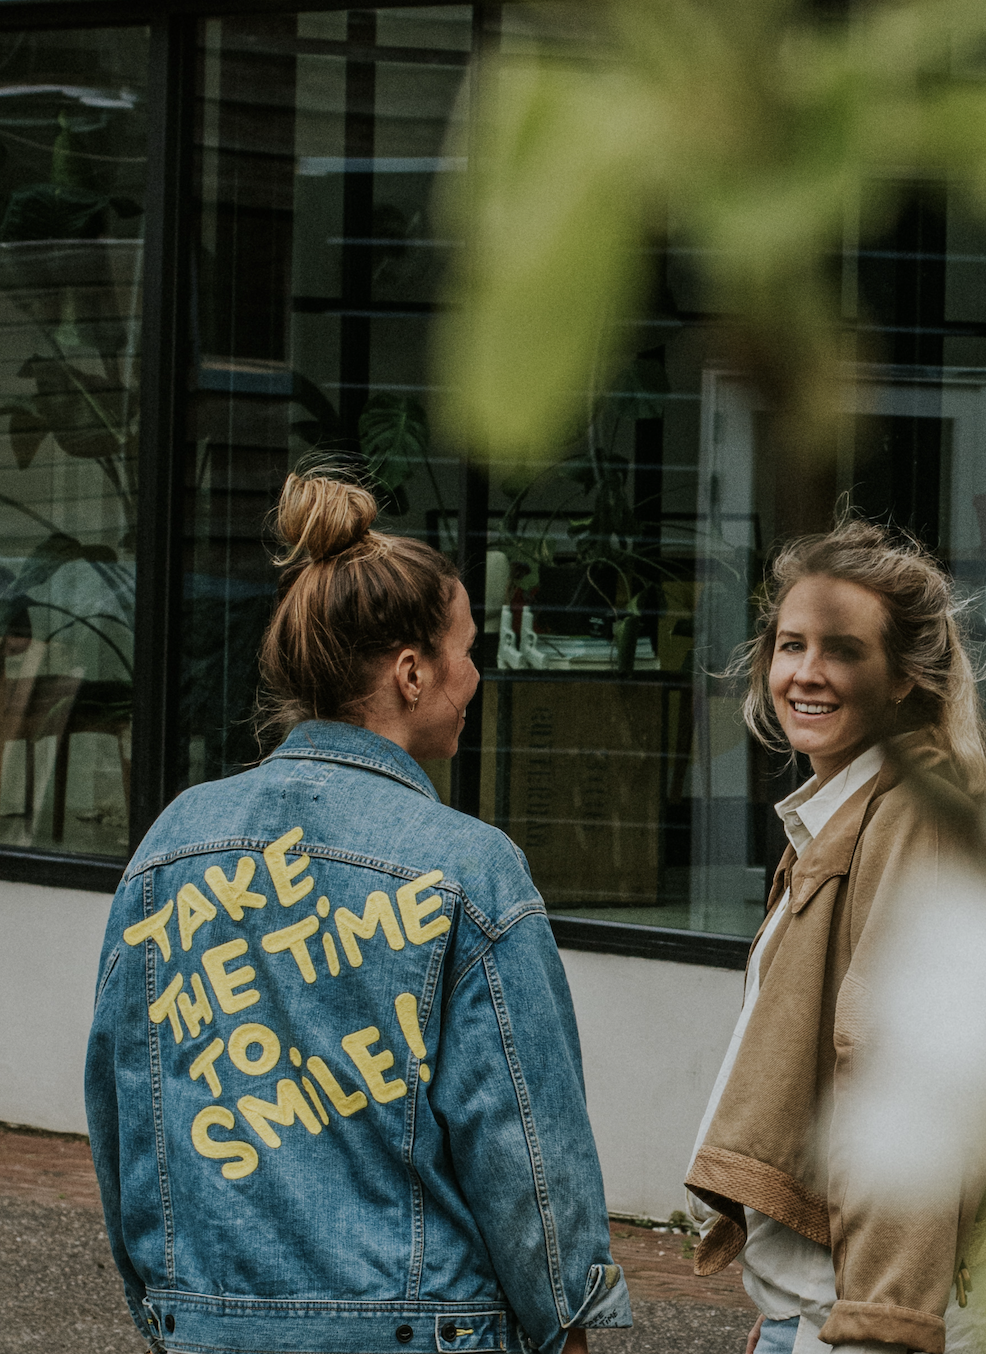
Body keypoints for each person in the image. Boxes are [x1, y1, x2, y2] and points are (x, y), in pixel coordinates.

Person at [84, 471, 630, 1354]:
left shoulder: (170, 848)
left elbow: (125, 1109)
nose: (475, 676)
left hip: (207, 1327)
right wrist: (567, 1320)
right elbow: (525, 1147)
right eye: (466, 650)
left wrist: (169, 1304)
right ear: (412, 673)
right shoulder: (470, 869)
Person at [685, 518, 986, 1354]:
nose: (807, 674)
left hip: (857, 1323)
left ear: (905, 677)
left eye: (843, 650)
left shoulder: (913, 819)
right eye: (791, 645)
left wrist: (880, 1323)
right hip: (814, 1309)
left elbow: (907, 1081)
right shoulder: (847, 814)